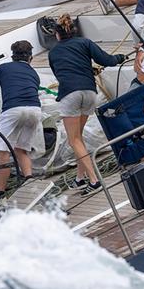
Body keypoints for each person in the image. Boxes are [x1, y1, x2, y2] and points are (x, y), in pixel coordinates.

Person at [48, 14, 125, 195]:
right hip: (90, 93)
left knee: (74, 139)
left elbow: (60, 74)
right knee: (78, 139)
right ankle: (80, 178)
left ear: (57, 35)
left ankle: (94, 180)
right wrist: (121, 57)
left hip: (70, 94)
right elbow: (107, 60)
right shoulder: (84, 43)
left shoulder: (53, 53)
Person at [0, 40, 42, 203]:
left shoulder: (2, 68)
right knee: (21, 149)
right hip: (35, 110)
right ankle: (29, 179)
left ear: (12, 56)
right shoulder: (33, 72)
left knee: (3, 152)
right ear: (30, 57)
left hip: (13, 110)